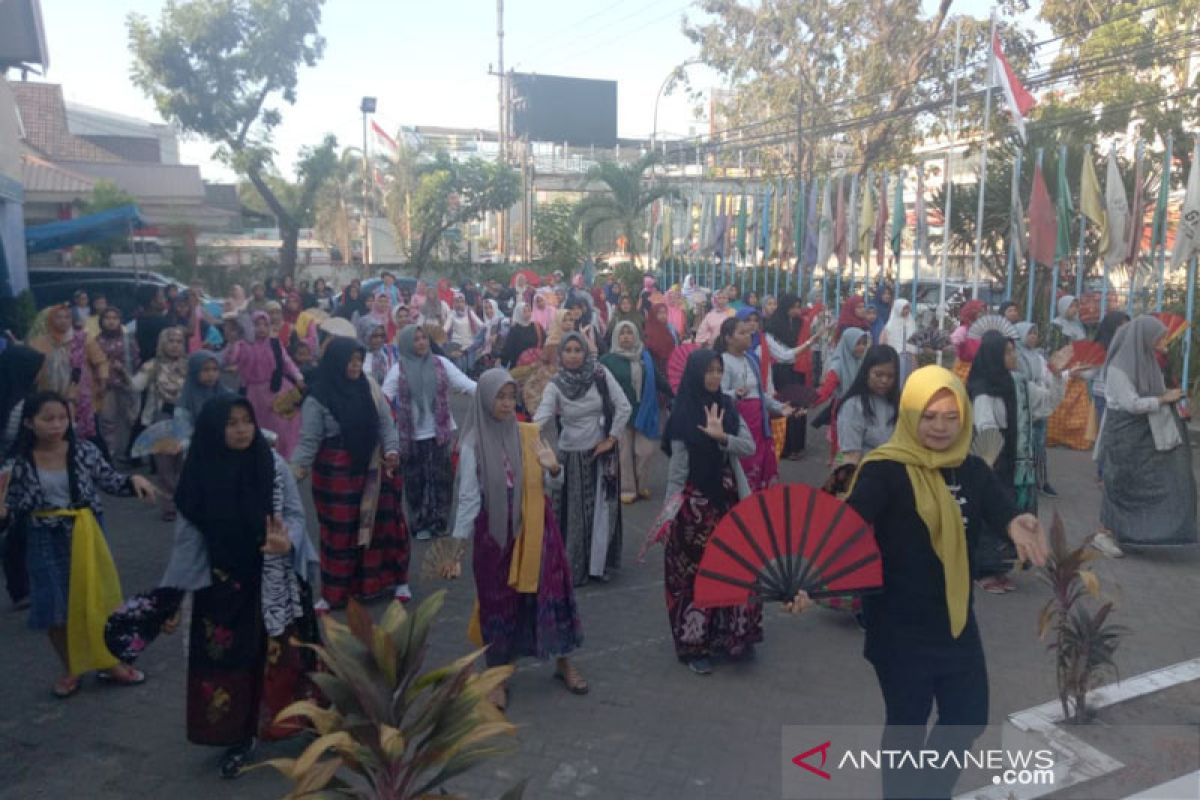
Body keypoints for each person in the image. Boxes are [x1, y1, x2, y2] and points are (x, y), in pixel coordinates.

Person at [788, 366, 1048, 800]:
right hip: (898, 627)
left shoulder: (971, 468)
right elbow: (845, 529)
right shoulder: (884, 470)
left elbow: (1000, 510)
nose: (941, 427)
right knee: (907, 726)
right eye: (929, 417)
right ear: (909, 415)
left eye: (950, 416)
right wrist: (807, 583)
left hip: (955, 621)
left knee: (967, 718)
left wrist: (1017, 522)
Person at [162, 395, 319, 778]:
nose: (241, 429)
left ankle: (301, 721)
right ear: (216, 429)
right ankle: (238, 735)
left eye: (246, 421)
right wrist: (171, 594)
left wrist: (288, 542)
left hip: (273, 580)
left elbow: (296, 517)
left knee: (282, 655)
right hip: (220, 589)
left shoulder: (272, 465)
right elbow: (188, 540)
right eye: (231, 423)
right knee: (231, 663)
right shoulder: (198, 473)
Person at [442, 368, 587, 707]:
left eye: (511, 396)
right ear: (485, 399)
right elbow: (467, 500)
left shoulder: (528, 434)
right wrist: (456, 550)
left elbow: (553, 485)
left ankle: (564, 662)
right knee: (497, 603)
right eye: (500, 397)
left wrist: (553, 468)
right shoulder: (471, 444)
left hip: (537, 525)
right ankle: (498, 676)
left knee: (552, 593)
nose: (507, 404)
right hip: (494, 535)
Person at [0, 392, 156, 698]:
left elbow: (110, 479)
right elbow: (11, 506)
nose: (56, 425)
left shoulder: (83, 451)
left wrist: (134, 481)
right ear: (30, 423)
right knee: (53, 608)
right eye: (48, 419)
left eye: (62, 418)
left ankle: (110, 662)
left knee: (98, 601)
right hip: (43, 537)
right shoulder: (16, 463)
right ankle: (71, 667)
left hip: (87, 534)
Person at [653, 349, 761, 675]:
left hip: (729, 502)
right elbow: (677, 470)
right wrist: (668, 515)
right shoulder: (683, 412)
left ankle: (733, 636)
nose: (714, 377)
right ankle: (694, 645)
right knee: (694, 577)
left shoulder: (727, 406)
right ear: (696, 373)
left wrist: (722, 437)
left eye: (718, 370)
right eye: (709, 371)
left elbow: (749, 446)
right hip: (694, 511)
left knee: (735, 568)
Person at [292, 338, 410, 609]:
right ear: (337, 362)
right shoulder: (318, 397)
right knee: (340, 531)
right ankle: (335, 592)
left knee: (383, 525)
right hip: (337, 474)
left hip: (372, 466)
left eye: (359, 360)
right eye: (350, 361)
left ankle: (388, 582)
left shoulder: (367, 385)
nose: (356, 366)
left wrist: (391, 450)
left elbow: (385, 422)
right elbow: (309, 442)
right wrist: (288, 477)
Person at [1094, 315, 1196, 556]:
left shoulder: (1148, 361)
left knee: (1144, 484)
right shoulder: (1119, 366)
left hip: (1146, 433)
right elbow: (1130, 403)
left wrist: (1172, 396)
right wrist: (1162, 399)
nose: (1164, 341)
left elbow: (1155, 390)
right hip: (1124, 435)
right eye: (1160, 336)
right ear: (1145, 337)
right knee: (1119, 482)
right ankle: (1105, 532)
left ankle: (1135, 531)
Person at [534, 333, 631, 586]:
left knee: (600, 512)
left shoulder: (598, 374)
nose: (574, 355)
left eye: (579, 350)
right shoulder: (556, 384)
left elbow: (624, 406)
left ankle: (597, 566)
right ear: (561, 354)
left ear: (585, 353)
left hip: (600, 455)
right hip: (570, 454)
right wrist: (522, 432)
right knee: (573, 516)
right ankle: (574, 568)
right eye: (568, 350)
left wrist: (610, 439)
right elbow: (542, 415)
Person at [383, 325, 476, 540]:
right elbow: (384, 399)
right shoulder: (399, 369)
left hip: (440, 434)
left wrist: (493, 391)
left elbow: (466, 384)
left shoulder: (441, 364)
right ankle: (419, 523)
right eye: (415, 340)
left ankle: (439, 521)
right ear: (407, 343)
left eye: (424, 338)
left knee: (442, 480)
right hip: (411, 436)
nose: (422, 343)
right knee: (415, 482)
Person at [967, 331, 1036, 594]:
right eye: (1007, 352)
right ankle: (985, 571)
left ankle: (1001, 569)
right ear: (995, 356)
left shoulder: (1014, 384)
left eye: (1013, 350)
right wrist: (988, 469)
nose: (1013, 356)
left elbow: (1040, 405)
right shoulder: (984, 391)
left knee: (1009, 511)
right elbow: (986, 430)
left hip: (1011, 461)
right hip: (992, 460)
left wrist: (1056, 373)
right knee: (991, 514)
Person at [714, 317, 799, 490]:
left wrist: (779, 407)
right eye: (742, 332)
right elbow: (718, 395)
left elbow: (760, 394)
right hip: (741, 424)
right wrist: (734, 394)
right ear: (728, 338)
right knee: (744, 468)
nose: (748, 336)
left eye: (749, 332)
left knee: (762, 465)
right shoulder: (722, 362)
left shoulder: (751, 359)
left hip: (759, 423)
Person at [600, 321, 664, 504]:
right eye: (622, 333)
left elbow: (657, 379)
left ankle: (641, 483)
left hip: (644, 412)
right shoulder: (607, 360)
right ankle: (627, 489)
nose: (626, 336)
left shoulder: (645, 358)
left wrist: (677, 392)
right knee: (624, 453)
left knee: (645, 451)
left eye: (630, 332)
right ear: (616, 337)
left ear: (636, 335)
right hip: (619, 415)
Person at [225, 311, 305, 459]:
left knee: (285, 426)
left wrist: (298, 377)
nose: (261, 328)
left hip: (278, 389)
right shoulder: (243, 345)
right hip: (254, 395)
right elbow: (230, 359)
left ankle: (284, 460)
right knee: (259, 429)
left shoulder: (275, 343)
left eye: (265, 325)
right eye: (257, 325)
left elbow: (286, 362)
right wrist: (233, 341)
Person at [130, 327, 189, 521]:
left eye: (179, 341)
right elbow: (136, 386)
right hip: (161, 418)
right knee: (165, 467)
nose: (175, 345)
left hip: (186, 419)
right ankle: (170, 506)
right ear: (162, 343)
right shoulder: (152, 365)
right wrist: (123, 374)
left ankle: (186, 502)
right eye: (170, 341)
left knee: (184, 463)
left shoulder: (190, 365)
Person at [27, 304, 107, 442]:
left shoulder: (83, 339)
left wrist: (103, 382)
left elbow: (100, 362)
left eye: (67, 317)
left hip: (81, 399)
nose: (63, 320)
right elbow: (30, 371)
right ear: (49, 320)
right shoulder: (37, 343)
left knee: (90, 438)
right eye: (58, 317)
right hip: (49, 397)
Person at [1013, 323, 1068, 498]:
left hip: (1040, 400)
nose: (1033, 337)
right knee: (1022, 446)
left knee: (1039, 445)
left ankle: (1041, 481)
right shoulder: (1016, 355)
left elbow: (1047, 376)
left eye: (1035, 333)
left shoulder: (1038, 357)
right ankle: (1023, 481)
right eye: (1029, 333)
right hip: (1023, 402)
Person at [764, 294, 818, 459]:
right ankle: (785, 446)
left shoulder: (801, 323)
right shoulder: (772, 325)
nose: (796, 310)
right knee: (785, 405)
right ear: (785, 307)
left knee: (799, 404)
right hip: (782, 371)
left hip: (798, 370)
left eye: (798, 306)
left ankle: (797, 445)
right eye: (793, 307)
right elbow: (783, 355)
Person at [1046, 296, 1095, 450]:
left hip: (1077, 370)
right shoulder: (1055, 326)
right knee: (1058, 404)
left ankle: (1075, 439)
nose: (1074, 309)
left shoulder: (1079, 327)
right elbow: (1052, 350)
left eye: (1076, 306)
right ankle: (1054, 437)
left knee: (1077, 408)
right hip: (1061, 370)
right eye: (1071, 306)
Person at [836, 345, 900, 465]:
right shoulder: (854, 406)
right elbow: (850, 456)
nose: (884, 380)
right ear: (866, 372)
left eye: (890, 376)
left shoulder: (898, 403)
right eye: (878, 374)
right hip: (864, 474)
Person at [93, 307, 140, 465]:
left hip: (126, 384)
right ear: (102, 321)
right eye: (107, 318)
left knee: (129, 419)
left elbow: (136, 360)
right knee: (107, 419)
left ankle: (127, 452)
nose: (111, 321)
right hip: (106, 386)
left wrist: (124, 370)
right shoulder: (96, 341)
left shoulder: (128, 339)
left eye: (115, 318)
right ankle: (109, 453)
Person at [175, 351, 234, 433]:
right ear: (194, 372)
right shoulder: (185, 403)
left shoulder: (228, 396)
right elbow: (182, 434)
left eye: (215, 369)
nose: (211, 374)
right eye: (205, 370)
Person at [879, 298, 918, 386]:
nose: (906, 311)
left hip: (909, 356)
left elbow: (914, 342)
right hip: (895, 356)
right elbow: (883, 343)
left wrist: (914, 357)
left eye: (908, 308)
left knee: (908, 381)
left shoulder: (911, 322)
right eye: (904, 308)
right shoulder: (890, 325)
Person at [950, 299, 986, 383]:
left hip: (980, 370)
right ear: (972, 313)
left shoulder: (984, 331)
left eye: (984, 312)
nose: (983, 315)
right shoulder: (963, 330)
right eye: (980, 312)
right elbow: (951, 344)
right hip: (964, 371)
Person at [355, 316, 398, 386]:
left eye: (382, 336)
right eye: (374, 336)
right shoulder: (356, 356)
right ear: (364, 335)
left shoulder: (390, 352)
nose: (379, 340)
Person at [499, 302, 544, 368]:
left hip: (535, 365)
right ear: (518, 313)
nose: (528, 314)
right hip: (519, 366)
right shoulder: (515, 330)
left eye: (529, 311)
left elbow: (543, 342)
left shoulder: (536, 327)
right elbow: (508, 348)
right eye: (524, 311)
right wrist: (502, 360)